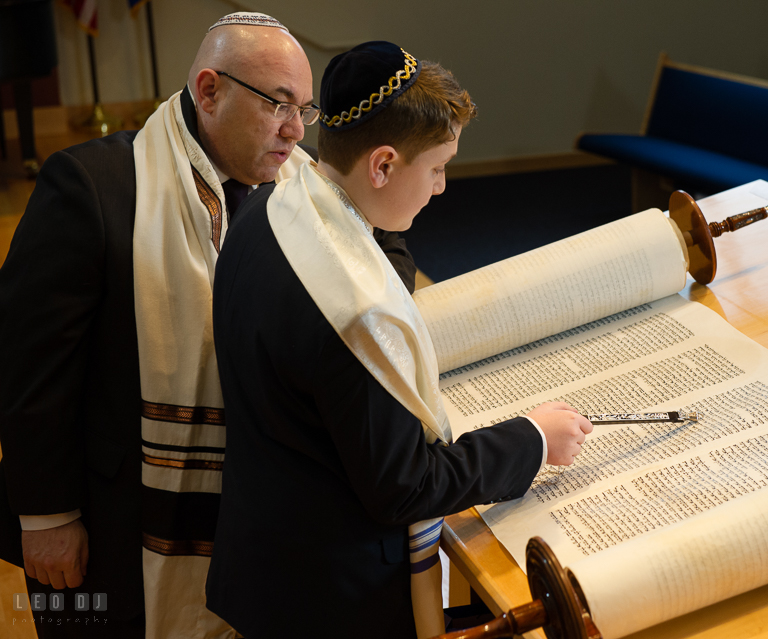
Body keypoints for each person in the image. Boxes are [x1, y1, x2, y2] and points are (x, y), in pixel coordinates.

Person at [0, 12, 408, 639]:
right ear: (209, 91)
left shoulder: (299, 185)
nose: (296, 130)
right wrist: (46, 515)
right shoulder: (92, 187)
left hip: (250, 522)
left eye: (305, 109)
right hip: (120, 522)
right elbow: (32, 369)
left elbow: (386, 264)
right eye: (278, 104)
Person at [205, 41, 593, 639]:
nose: (441, 188)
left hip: (264, 553)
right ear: (382, 165)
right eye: (437, 169)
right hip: (335, 599)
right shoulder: (355, 316)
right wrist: (533, 439)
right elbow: (404, 486)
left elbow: (378, 251)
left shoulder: (274, 205)